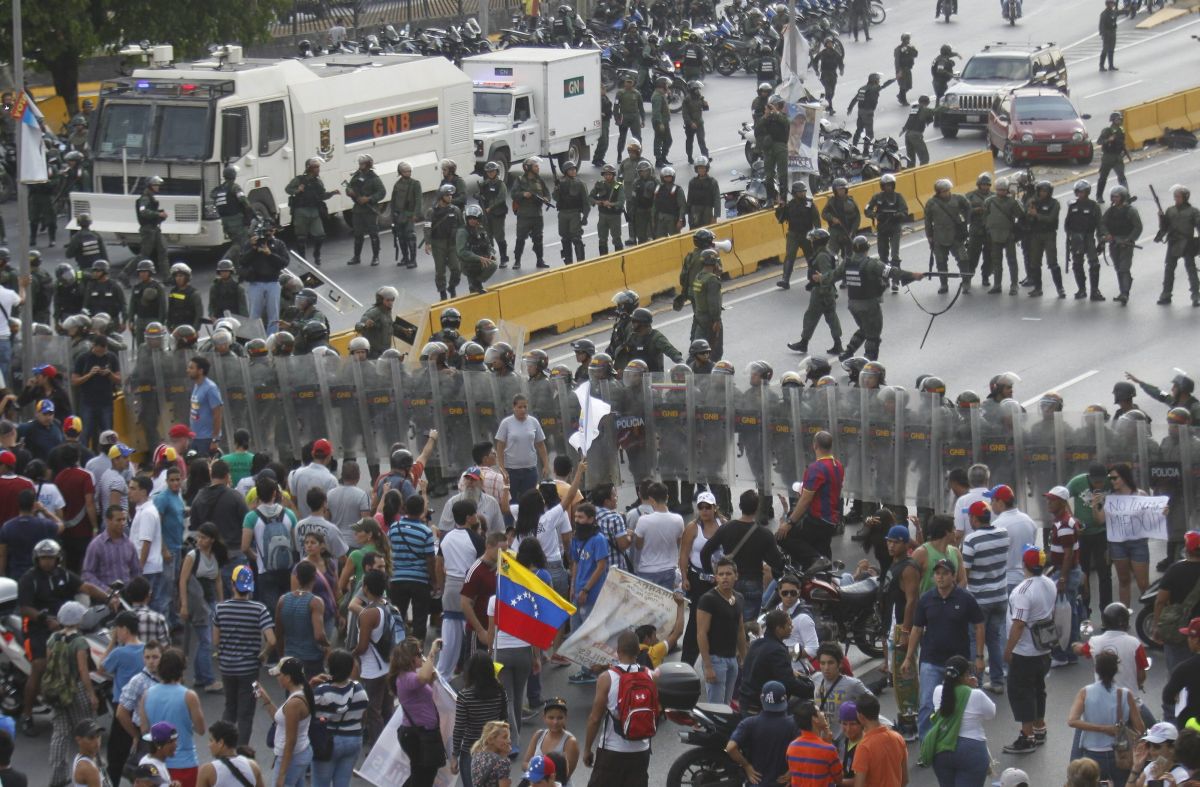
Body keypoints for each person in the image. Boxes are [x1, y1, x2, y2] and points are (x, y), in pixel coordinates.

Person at [902, 558, 985, 739]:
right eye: (937, 573)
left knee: (960, 703)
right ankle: (926, 743)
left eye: (945, 573)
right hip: (931, 660)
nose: (940, 577)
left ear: (953, 576)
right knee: (927, 704)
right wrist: (909, 657)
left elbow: (979, 625)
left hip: (959, 663)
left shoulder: (965, 598)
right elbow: (916, 629)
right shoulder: (926, 600)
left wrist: (979, 656)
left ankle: (956, 738)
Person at [1002, 545, 1057, 754]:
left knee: (1021, 691)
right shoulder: (1049, 584)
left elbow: (1018, 624)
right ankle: (1039, 726)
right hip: (1043, 649)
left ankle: (1027, 736)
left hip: (1025, 652)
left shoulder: (1023, 591)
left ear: (1024, 564)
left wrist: (1008, 650)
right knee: (1038, 689)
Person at [213, 565, 276, 747]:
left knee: (229, 707)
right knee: (246, 713)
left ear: (233, 585)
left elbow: (215, 640)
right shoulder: (259, 609)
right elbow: (272, 640)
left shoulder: (220, 608)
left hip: (226, 667)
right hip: (249, 669)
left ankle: (223, 745)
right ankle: (241, 752)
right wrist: (263, 655)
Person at [582, 630, 652, 787]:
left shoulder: (607, 678)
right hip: (641, 750)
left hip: (612, 751)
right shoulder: (649, 675)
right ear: (638, 651)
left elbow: (595, 718)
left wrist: (587, 749)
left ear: (618, 651)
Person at [1068, 649, 1146, 786]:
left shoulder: (1085, 692)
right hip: (1120, 754)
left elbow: (1072, 721)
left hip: (1092, 755)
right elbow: (1140, 728)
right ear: (1116, 670)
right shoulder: (1125, 694)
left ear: (1096, 669)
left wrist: (1102, 728)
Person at [960, 500, 1010, 693]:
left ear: (974, 518)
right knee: (994, 639)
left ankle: (976, 682)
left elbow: (966, 574)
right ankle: (997, 681)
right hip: (1000, 596)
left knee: (974, 640)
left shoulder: (971, 540)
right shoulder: (1003, 534)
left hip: (979, 600)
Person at [925, 655, 996, 787]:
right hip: (972, 750)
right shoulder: (976, 694)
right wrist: (973, 688)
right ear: (966, 675)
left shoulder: (938, 691)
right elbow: (991, 713)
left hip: (942, 750)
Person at [140, 648, 207, 787]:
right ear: (181, 670)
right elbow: (201, 729)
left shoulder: (146, 695)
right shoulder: (189, 696)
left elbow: (144, 729)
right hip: (185, 763)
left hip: (157, 762)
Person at [1092, 463, 1153, 607]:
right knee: (1123, 580)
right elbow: (1100, 520)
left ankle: (1151, 614)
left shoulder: (1140, 494)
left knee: (1143, 583)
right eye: (1110, 479)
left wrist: (1162, 512)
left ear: (1124, 477)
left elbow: (1152, 517)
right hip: (1118, 544)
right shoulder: (1112, 498)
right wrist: (1095, 505)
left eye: (1115, 478)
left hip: (1138, 542)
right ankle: (1123, 617)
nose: (1112, 481)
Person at [778, 432, 844, 564]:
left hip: (817, 520)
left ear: (815, 445)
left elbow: (805, 500)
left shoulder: (815, 468)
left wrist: (789, 523)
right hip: (831, 519)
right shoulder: (838, 466)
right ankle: (824, 572)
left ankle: (818, 561)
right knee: (822, 548)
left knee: (783, 538)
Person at [179, 522, 226, 694]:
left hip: (210, 600)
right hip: (197, 603)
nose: (199, 540)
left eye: (203, 537)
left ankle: (200, 677)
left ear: (212, 540)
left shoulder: (216, 555)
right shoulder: (192, 556)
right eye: (199, 537)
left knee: (205, 641)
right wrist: (183, 604)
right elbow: (183, 581)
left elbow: (218, 580)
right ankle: (208, 679)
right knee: (206, 641)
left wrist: (221, 603)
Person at [452, 651, 510, 787]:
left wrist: (455, 754)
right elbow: (505, 722)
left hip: (471, 751)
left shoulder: (465, 696)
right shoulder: (500, 691)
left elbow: (459, 728)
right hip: (494, 749)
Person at [727, 681, 798, 787]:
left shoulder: (749, 723)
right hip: (782, 783)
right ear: (785, 698)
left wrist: (746, 766)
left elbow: (730, 748)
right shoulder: (794, 724)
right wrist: (792, 771)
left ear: (761, 698)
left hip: (758, 783)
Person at [257, 656, 314, 787]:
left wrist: (282, 774)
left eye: (279, 674)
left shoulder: (294, 703)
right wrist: (265, 699)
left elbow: (291, 740)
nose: (277, 678)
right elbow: (283, 719)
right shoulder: (301, 692)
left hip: (291, 758)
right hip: (301, 753)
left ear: (288, 678)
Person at [696, 558, 746, 703]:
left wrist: (744, 657)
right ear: (716, 577)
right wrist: (708, 666)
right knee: (716, 708)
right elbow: (701, 633)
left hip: (732, 660)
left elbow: (740, 629)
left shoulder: (739, 598)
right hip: (715, 659)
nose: (724, 577)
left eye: (728, 574)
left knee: (727, 704)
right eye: (721, 574)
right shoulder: (708, 600)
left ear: (736, 576)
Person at [1068, 463, 1113, 613]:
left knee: (1105, 572)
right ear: (1089, 478)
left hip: (1102, 532)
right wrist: (1072, 517)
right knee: (1083, 572)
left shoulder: (1109, 481)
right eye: (1096, 481)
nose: (1099, 484)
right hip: (1083, 534)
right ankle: (1084, 608)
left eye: (1101, 481)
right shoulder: (1078, 482)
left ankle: (1106, 609)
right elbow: (1061, 497)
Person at [1156, 530, 1200, 672]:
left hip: (1178, 629)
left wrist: (1157, 626)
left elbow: (1160, 601)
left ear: (1186, 549)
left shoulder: (1175, 570)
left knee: (1177, 673)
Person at [276, 560, 329, 678]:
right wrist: (327, 646)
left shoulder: (283, 600)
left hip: (290, 656)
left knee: (292, 694)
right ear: (314, 577)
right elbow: (319, 635)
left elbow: (279, 634)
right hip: (311, 658)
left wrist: (282, 657)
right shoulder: (315, 602)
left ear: (297, 577)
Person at [0, 488, 64, 579]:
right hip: (39, 574)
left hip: (16, 574)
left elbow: (2, 555)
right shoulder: (44, 524)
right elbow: (61, 525)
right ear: (34, 505)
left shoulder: (7, 527)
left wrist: (2, 575)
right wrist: (44, 511)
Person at [786, 700, 843, 787]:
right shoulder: (828, 749)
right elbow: (839, 779)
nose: (823, 713)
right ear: (814, 719)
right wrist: (829, 744)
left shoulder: (792, 747)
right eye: (819, 711)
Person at [1102, 185, 1143, 304]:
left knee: (1124, 268)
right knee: (1118, 268)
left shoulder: (1131, 211)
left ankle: (1125, 293)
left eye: (1117, 196)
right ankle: (1122, 290)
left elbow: (1138, 227)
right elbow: (1102, 224)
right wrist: (1106, 235)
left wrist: (1129, 240)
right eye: (1113, 196)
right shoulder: (1111, 211)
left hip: (1126, 243)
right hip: (1114, 242)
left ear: (1123, 197)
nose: (1115, 199)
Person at [194, 720, 264, 787]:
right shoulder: (253, 766)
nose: (209, 745)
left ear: (220, 743)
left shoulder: (208, 771)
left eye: (211, 740)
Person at [1163, 617, 1200, 728]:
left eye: (1189, 636)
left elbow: (1167, 697)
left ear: (1197, 641)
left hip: (1192, 731)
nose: (1187, 640)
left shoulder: (1185, 668)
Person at [1096, 113, 1129, 203]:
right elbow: (1099, 142)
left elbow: (1122, 142)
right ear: (1113, 120)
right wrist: (1108, 140)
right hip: (1108, 157)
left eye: (1120, 119)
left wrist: (1124, 151)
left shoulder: (1121, 130)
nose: (1119, 121)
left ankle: (1126, 196)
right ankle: (1099, 196)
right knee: (1103, 178)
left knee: (1122, 177)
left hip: (1117, 157)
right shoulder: (1107, 130)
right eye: (1117, 119)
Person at [472, 721, 513, 787]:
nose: (509, 741)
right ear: (490, 740)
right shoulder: (503, 762)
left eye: (509, 737)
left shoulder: (477, 755)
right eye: (505, 737)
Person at [70, 719, 108, 787]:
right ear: (78, 740)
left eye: (98, 736)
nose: (97, 742)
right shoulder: (90, 770)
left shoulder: (79, 757)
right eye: (91, 738)